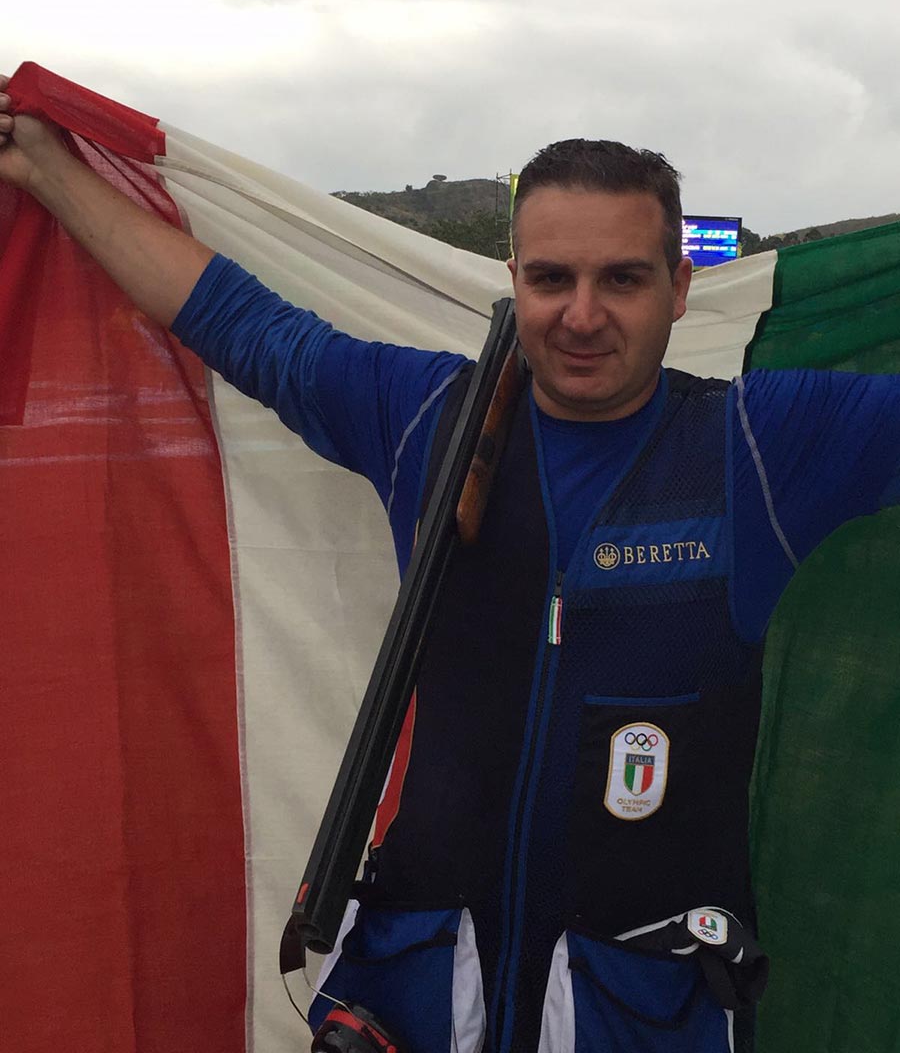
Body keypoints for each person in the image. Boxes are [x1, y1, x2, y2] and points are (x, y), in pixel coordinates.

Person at [1, 78, 898, 1053]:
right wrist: (42, 167)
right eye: (551, 279)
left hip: (641, 1006)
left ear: (679, 288)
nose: (582, 315)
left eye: (622, 280)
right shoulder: (429, 419)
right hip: (420, 988)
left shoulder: (760, 448)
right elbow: (242, 324)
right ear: (513, 280)